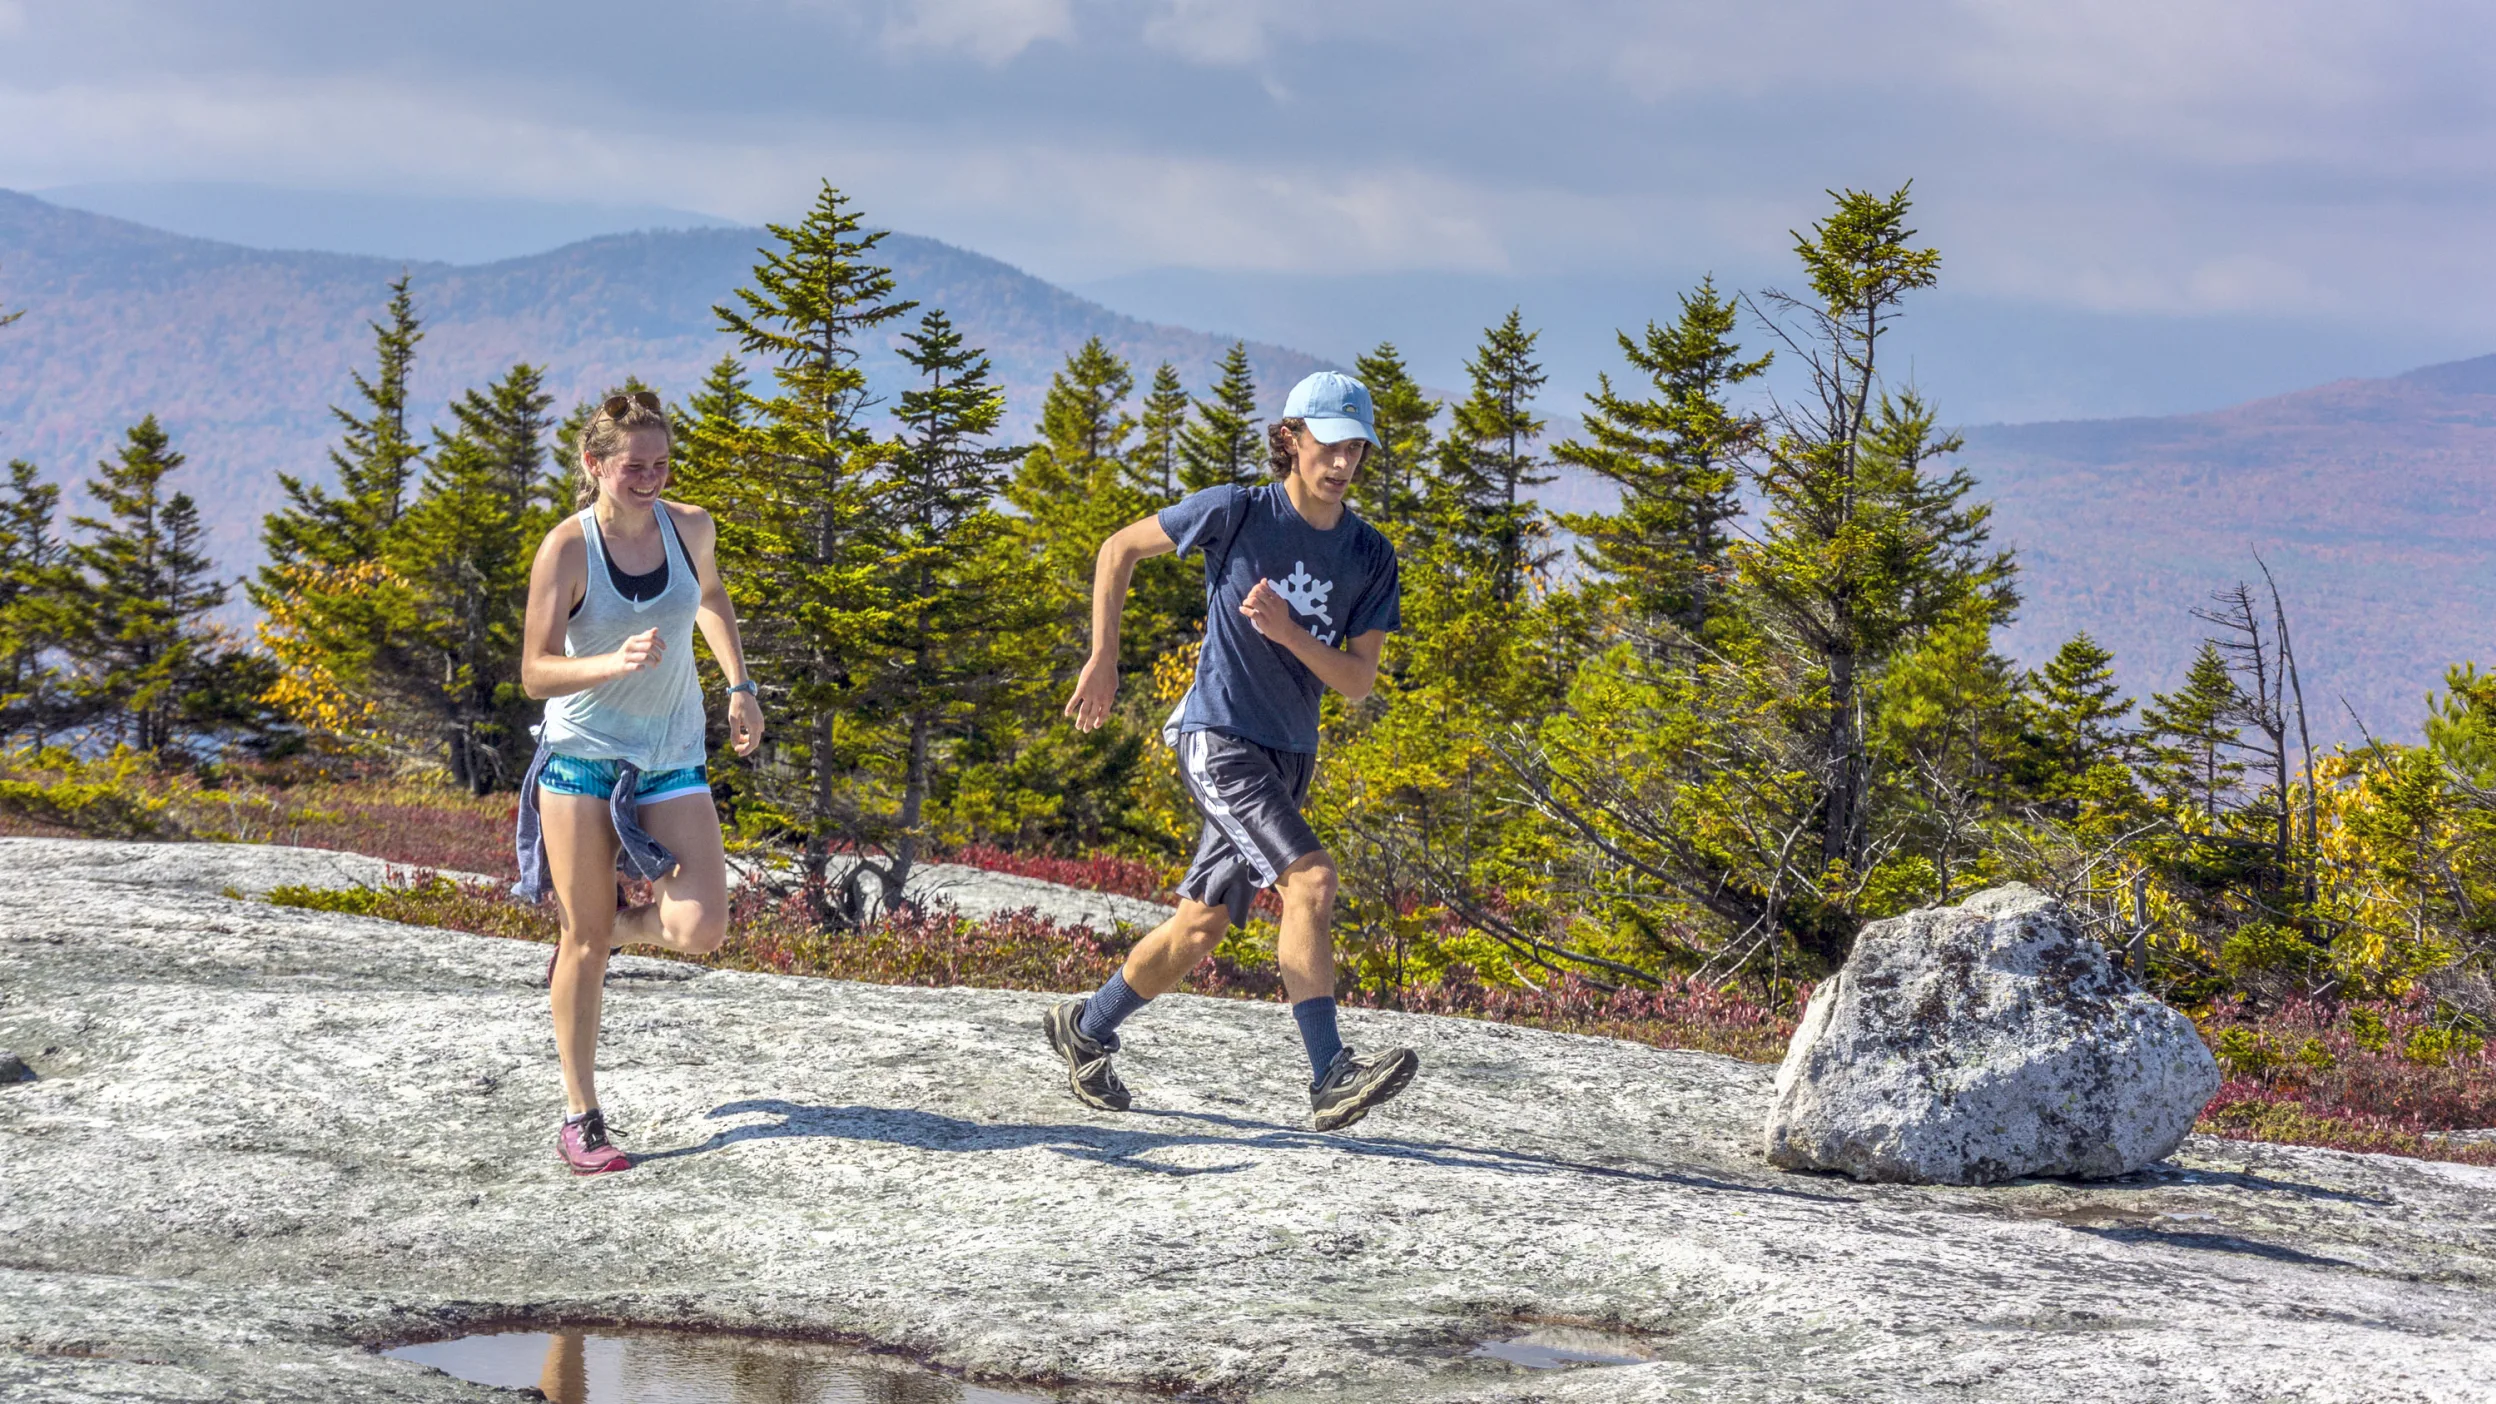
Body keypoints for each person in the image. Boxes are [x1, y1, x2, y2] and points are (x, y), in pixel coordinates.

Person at [1050, 370, 1417, 1131]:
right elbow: (1118, 549)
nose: (1343, 462)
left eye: (1357, 448)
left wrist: (1288, 632)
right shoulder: (1238, 510)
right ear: (1291, 438)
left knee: (1199, 929)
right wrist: (1104, 657)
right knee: (1311, 879)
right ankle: (1330, 1076)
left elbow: (1355, 680)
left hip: (1290, 753)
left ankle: (1086, 1028)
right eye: (1329, 443)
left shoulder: (1371, 555)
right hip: (1218, 738)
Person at [516, 390, 763, 1175]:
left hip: (670, 755)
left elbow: (713, 597)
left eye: (661, 464)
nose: (651, 478)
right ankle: (581, 1117)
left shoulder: (691, 529)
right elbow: (534, 672)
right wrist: (608, 663)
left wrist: (739, 685)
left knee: (700, 929)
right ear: (595, 466)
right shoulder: (567, 549)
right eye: (634, 467)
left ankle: (594, 940)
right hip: (581, 760)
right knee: (586, 938)